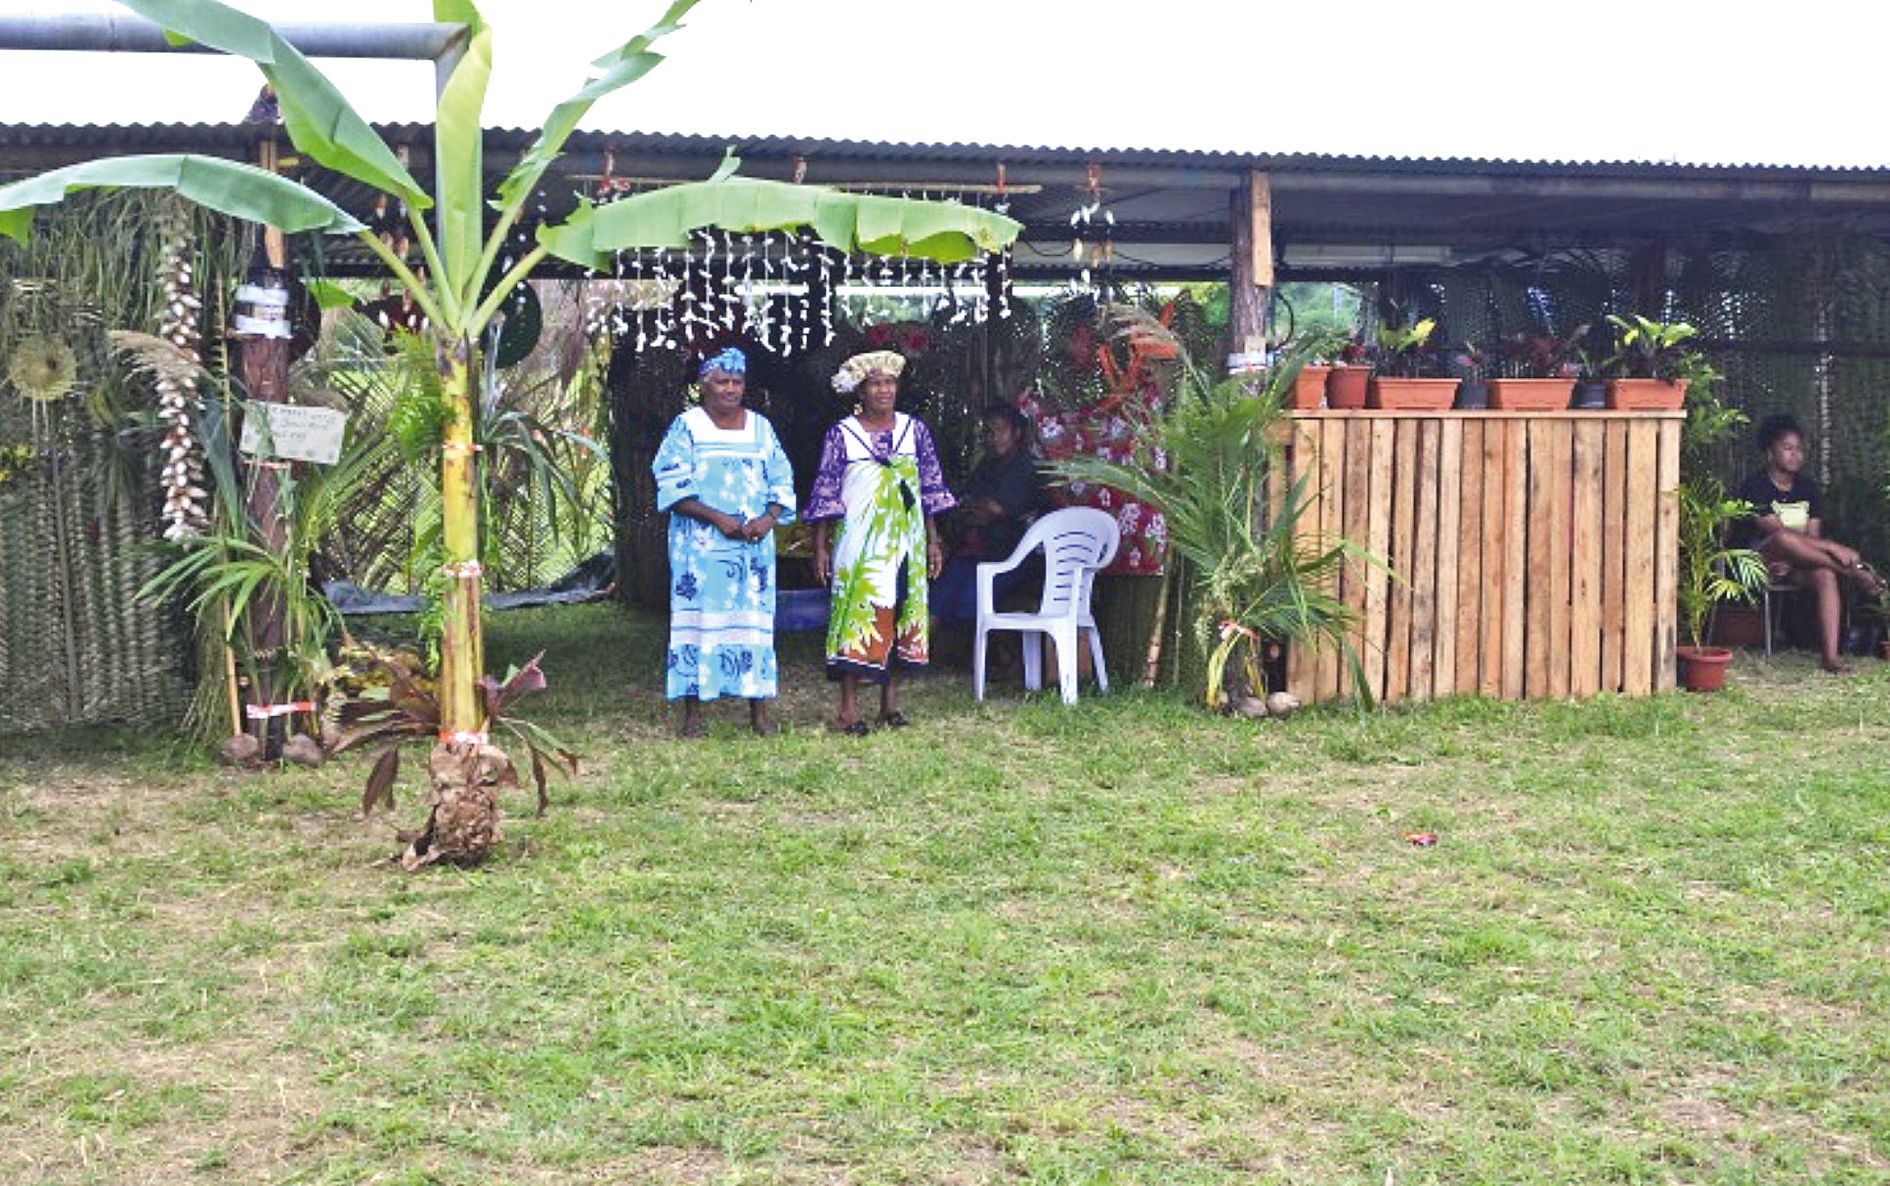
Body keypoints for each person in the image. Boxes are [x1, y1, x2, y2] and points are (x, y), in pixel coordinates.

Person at [805, 350, 956, 734]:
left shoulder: (914, 431)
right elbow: (826, 493)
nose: (884, 390)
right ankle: (849, 711)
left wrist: (933, 541)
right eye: (875, 384)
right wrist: (820, 546)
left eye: (889, 383)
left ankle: (890, 706)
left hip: (907, 540)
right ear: (861, 390)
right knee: (856, 616)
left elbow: (930, 490)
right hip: (859, 543)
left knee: (902, 609)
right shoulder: (842, 435)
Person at [652, 347, 796, 736]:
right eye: (721, 381)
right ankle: (694, 717)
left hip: (753, 549)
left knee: (753, 624)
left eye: (737, 382)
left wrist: (768, 519)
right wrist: (718, 519)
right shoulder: (687, 427)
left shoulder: (761, 428)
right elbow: (670, 483)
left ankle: (759, 715)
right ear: (703, 385)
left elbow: (782, 479)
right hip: (700, 547)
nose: (730, 389)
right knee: (698, 623)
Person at [1733, 413, 1886, 674]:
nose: (1796, 455)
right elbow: (1775, 533)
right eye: (1788, 448)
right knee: (1783, 537)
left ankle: (1831, 658)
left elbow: (1812, 540)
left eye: (1800, 450)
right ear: (1771, 451)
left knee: (1825, 574)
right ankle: (1853, 572)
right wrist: (1836, 549)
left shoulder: (1807, 488)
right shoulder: (1755, 486)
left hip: (1797, 561)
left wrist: (1813, 555)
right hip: (1762, 560)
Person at [931, 401, 1046, 626]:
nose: (990, 437)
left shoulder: (1026, 466)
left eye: (998, 430)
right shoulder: (986, 466)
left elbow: (992, 511)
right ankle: (918, 658)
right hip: (975, 553)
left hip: (1011, 557)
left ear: (1017, 433)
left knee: (969, 603)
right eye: (986, 431)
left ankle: (998, 658)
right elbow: (961, 507)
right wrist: (973, 509)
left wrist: (977, 509)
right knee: (936, 602)